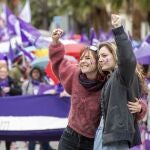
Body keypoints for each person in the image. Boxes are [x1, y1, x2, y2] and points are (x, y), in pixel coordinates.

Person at [49, 28, 147, 150]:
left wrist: (140, 107)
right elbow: (58, 63)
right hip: (70, 136)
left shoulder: (108, 80)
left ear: (98, 63)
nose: (83, 61)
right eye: (82, 58)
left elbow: (128, 93)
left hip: (93, 140)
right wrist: (55, 42)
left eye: (88, 58)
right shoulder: (74, 74)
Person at [93, 14, 148, 150]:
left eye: (104, 55)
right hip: (105, 134)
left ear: (116, 56)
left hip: (116, 138)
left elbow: (128, 59)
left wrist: (118, 29)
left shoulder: (121, 74)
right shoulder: (110, 77)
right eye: (99, 56)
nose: (100, 59)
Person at [22, 66, 53, 150]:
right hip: (31, 114)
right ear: (31, 74)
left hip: (43, 114)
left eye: (37, 72)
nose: (35, 74)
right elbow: (23, 98)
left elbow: (51, 93)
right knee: (32, 138)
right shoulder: (26, 84)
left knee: (44, 137)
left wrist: (46, 88)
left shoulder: (45, 82)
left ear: (40, 73)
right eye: (34, 72)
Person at [0, 63, 22, 150]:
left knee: (7, 132)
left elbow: (19, 91)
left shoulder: (12, 81)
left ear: (7, 73)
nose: (3, 74)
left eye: (4, 72)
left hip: (9, 111)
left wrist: (10, 89)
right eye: (1, 72)